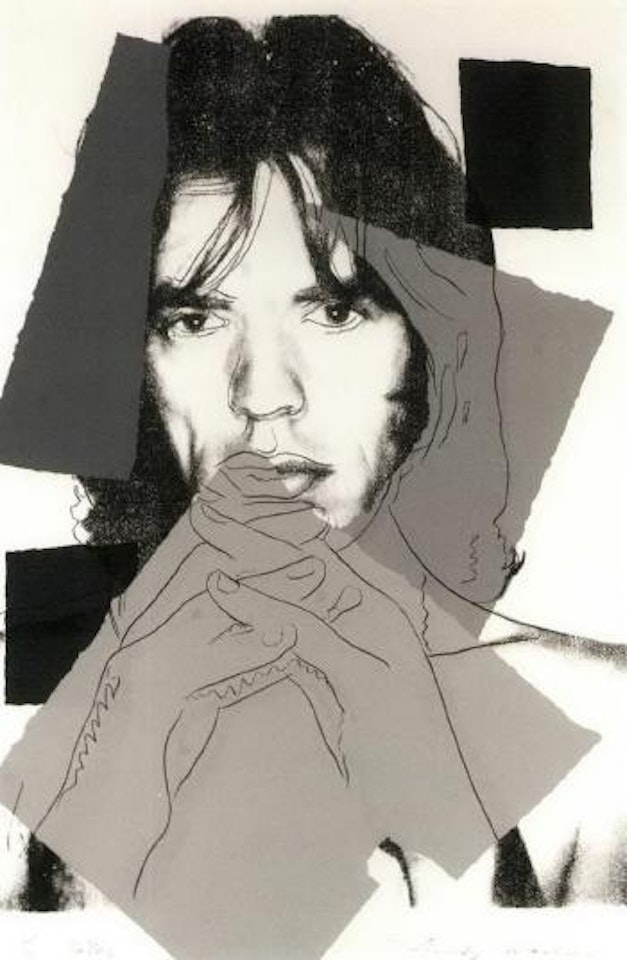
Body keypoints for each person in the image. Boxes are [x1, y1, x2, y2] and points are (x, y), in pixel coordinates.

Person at [0, 15, 624, 960]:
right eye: (195, 319)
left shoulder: (603, 738)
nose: (263, 394)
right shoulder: (25, 729)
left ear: (430, 348)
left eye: (334, 310)